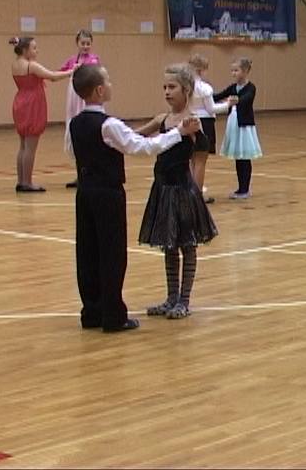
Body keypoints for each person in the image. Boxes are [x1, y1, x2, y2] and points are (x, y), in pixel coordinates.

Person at [69, 63, 200, 332]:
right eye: (108, 80)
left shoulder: (75, 123)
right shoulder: (108, 124)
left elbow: (73, 152)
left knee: (87, 251)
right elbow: (144, 147)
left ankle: (92, 312)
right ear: (100, 90)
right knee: (112, 254)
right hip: (108, 194)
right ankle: (113, 316)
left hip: (84, 192)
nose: (111, 84)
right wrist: (178, 133)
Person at [138, 64, 219, 319]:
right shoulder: (161, 120)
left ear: (186, 90)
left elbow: (200, 160)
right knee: (169, 245)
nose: (166, 91)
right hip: (162, 190)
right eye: (164, 87)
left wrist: (195, 194)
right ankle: (171, 297)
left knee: (187, 245)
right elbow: (133, 137)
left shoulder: (192, 122)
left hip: (183, 191)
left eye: (172, 87)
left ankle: (184, 301)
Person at [10, 36, 77, 192]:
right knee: (30, 147)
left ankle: (21, 180)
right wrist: (72, 71)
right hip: (32, 104)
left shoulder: (15, 64)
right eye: (34, 48)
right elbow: (52, 77)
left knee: (23, 145)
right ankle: (27, 182)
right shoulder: (31, 66)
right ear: (25, 50)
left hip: (20, 101)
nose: (37, 51)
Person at [187, 53, 235, 204]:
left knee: (191, 160)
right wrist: (228, 104)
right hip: (204, 123)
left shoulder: (185, 86)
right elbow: (212, 109)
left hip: (189, 121)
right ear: (201, 70)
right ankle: (198, 195)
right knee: (200, 161)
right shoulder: (204, 88)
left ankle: (190, 193)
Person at [215, 58, 263, 199]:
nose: (233, 73)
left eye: (236, 70)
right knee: (238, 157)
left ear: (245, 71)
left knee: (244, 157)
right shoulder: (233, 87)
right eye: (232, 71)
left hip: (244, 126)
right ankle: (241, 188)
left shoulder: (251, 88)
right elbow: (218, 96)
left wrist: (236, 100)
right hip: (234, 125)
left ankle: (245, 189)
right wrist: (203, 96)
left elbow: (246, 99)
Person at [62, 30, 101, 189]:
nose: (85, 46)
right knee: (76, 135)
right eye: (82, 43)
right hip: (73, 100)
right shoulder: (72, 60)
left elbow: (96, 75)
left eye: (88, 43)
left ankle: (91, 174)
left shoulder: (94, 60)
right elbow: (61, 71)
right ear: (77, 44)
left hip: (86, 98)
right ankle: (80, 174)